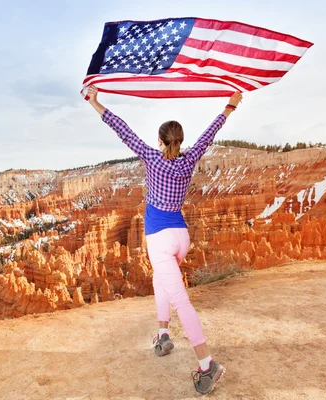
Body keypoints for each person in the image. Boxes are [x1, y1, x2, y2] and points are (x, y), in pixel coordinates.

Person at [86, 85, 242, 395]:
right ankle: (162, 334)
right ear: (179, 141)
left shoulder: (152, 158)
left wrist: (95, 103)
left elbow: (123, 130)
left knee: (181, 300)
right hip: (180, 236)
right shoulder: (189, 159)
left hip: (159, 238)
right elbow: (208, 136)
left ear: (160, 141)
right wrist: (230, 106)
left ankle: (207, 364)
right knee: (163, 283)